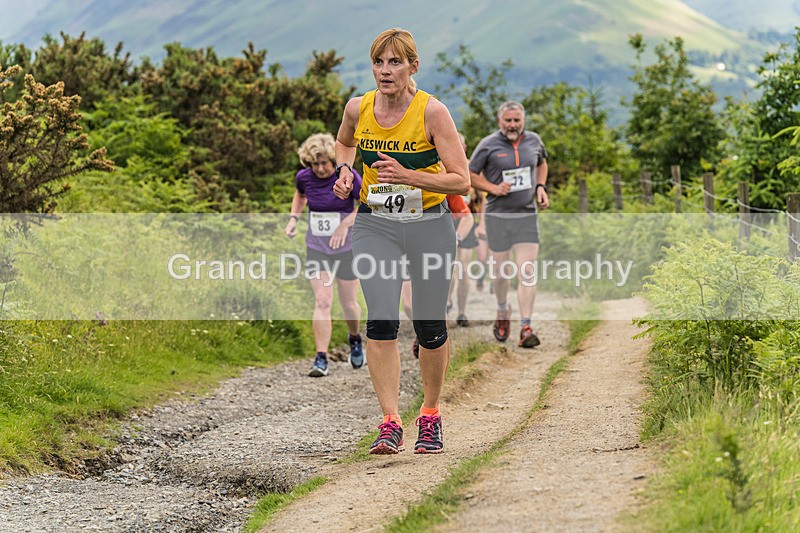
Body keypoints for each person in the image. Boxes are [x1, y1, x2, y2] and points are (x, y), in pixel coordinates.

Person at [333, 28, 470, 455]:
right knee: (382, 320)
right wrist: (344, 172)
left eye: (395, 62)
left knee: (430, 325)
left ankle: (429, 414)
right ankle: (390, 420)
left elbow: (461, 180)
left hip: (429, 222)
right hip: (377, 223)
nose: (386, 71)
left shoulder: (433, 113)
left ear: (413, 65)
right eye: (379, 62)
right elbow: (343, 143)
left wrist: (409, 176)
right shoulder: (359, 108)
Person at [469, 101, 549, 348]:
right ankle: (503, 309)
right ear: (499, 121)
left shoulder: (534, 141)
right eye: (508, 121)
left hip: (526, 214)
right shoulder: (488, 144)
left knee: (526, 270)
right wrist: (493, 188)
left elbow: (542, 163)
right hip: (498, 216)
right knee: (501, 274)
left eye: (517, 120)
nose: (513, 125)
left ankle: (526, 326)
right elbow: (469, 174)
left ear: (523, 120)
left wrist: (540, 187)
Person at [284, 133, 365, 377]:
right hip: (317, 248)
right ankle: (321, 358)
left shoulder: (348, 177)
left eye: (324, 163)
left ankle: (354, 337)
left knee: (348, 304)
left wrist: (344, 225)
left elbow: (365, 205)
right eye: (314, 164)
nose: (320, 169)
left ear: (333, 160)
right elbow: (300, 196)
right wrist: (293, 220)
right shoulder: (304, 178)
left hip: (347, 248)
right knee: (322, 301)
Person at [401, 191, 473, 358]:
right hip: (405, 247)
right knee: (408, 304)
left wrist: (456, 237)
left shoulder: (440, 185)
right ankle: (421, 331)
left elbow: (468, 217)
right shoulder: (396, 183)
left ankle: (437, 344)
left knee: (437, 307)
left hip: (435, 248)